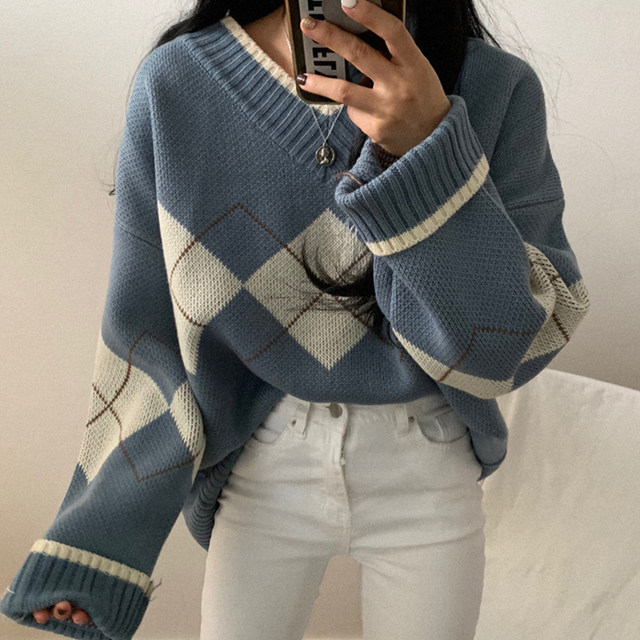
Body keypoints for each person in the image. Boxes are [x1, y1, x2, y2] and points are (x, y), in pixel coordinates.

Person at [2, 0, 591, 639]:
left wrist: (427, 150)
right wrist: (97, 536)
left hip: (429, 462)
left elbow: (509, 349)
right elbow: (147, 337)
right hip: (265, 461)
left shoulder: (494, 88)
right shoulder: (178, 83)